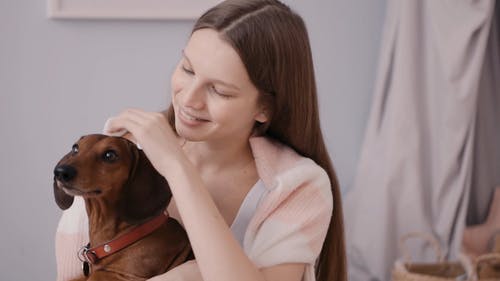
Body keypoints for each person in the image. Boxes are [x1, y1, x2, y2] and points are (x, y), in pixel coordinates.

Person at [55, 1, 347, 281]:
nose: (189, 100)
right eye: (188, 69)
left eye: (219, 90)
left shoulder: (296, 186)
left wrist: (177, 168)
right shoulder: (117, 155)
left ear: (265, 108)